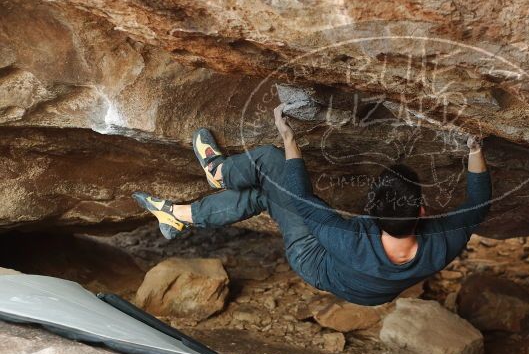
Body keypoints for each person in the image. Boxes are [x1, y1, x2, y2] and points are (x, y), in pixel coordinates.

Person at [134, 104, 491, 306]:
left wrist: (288, 136)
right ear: (423, 213)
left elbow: (302, 197)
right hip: (365, 289)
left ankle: (219, 172)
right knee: (266, 196)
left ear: (370, 214)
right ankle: (178, 216)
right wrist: (474, 148)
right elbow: (480, 202)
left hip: (315, 259)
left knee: (271, 163)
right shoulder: (445, 240)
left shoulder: (346, 235)